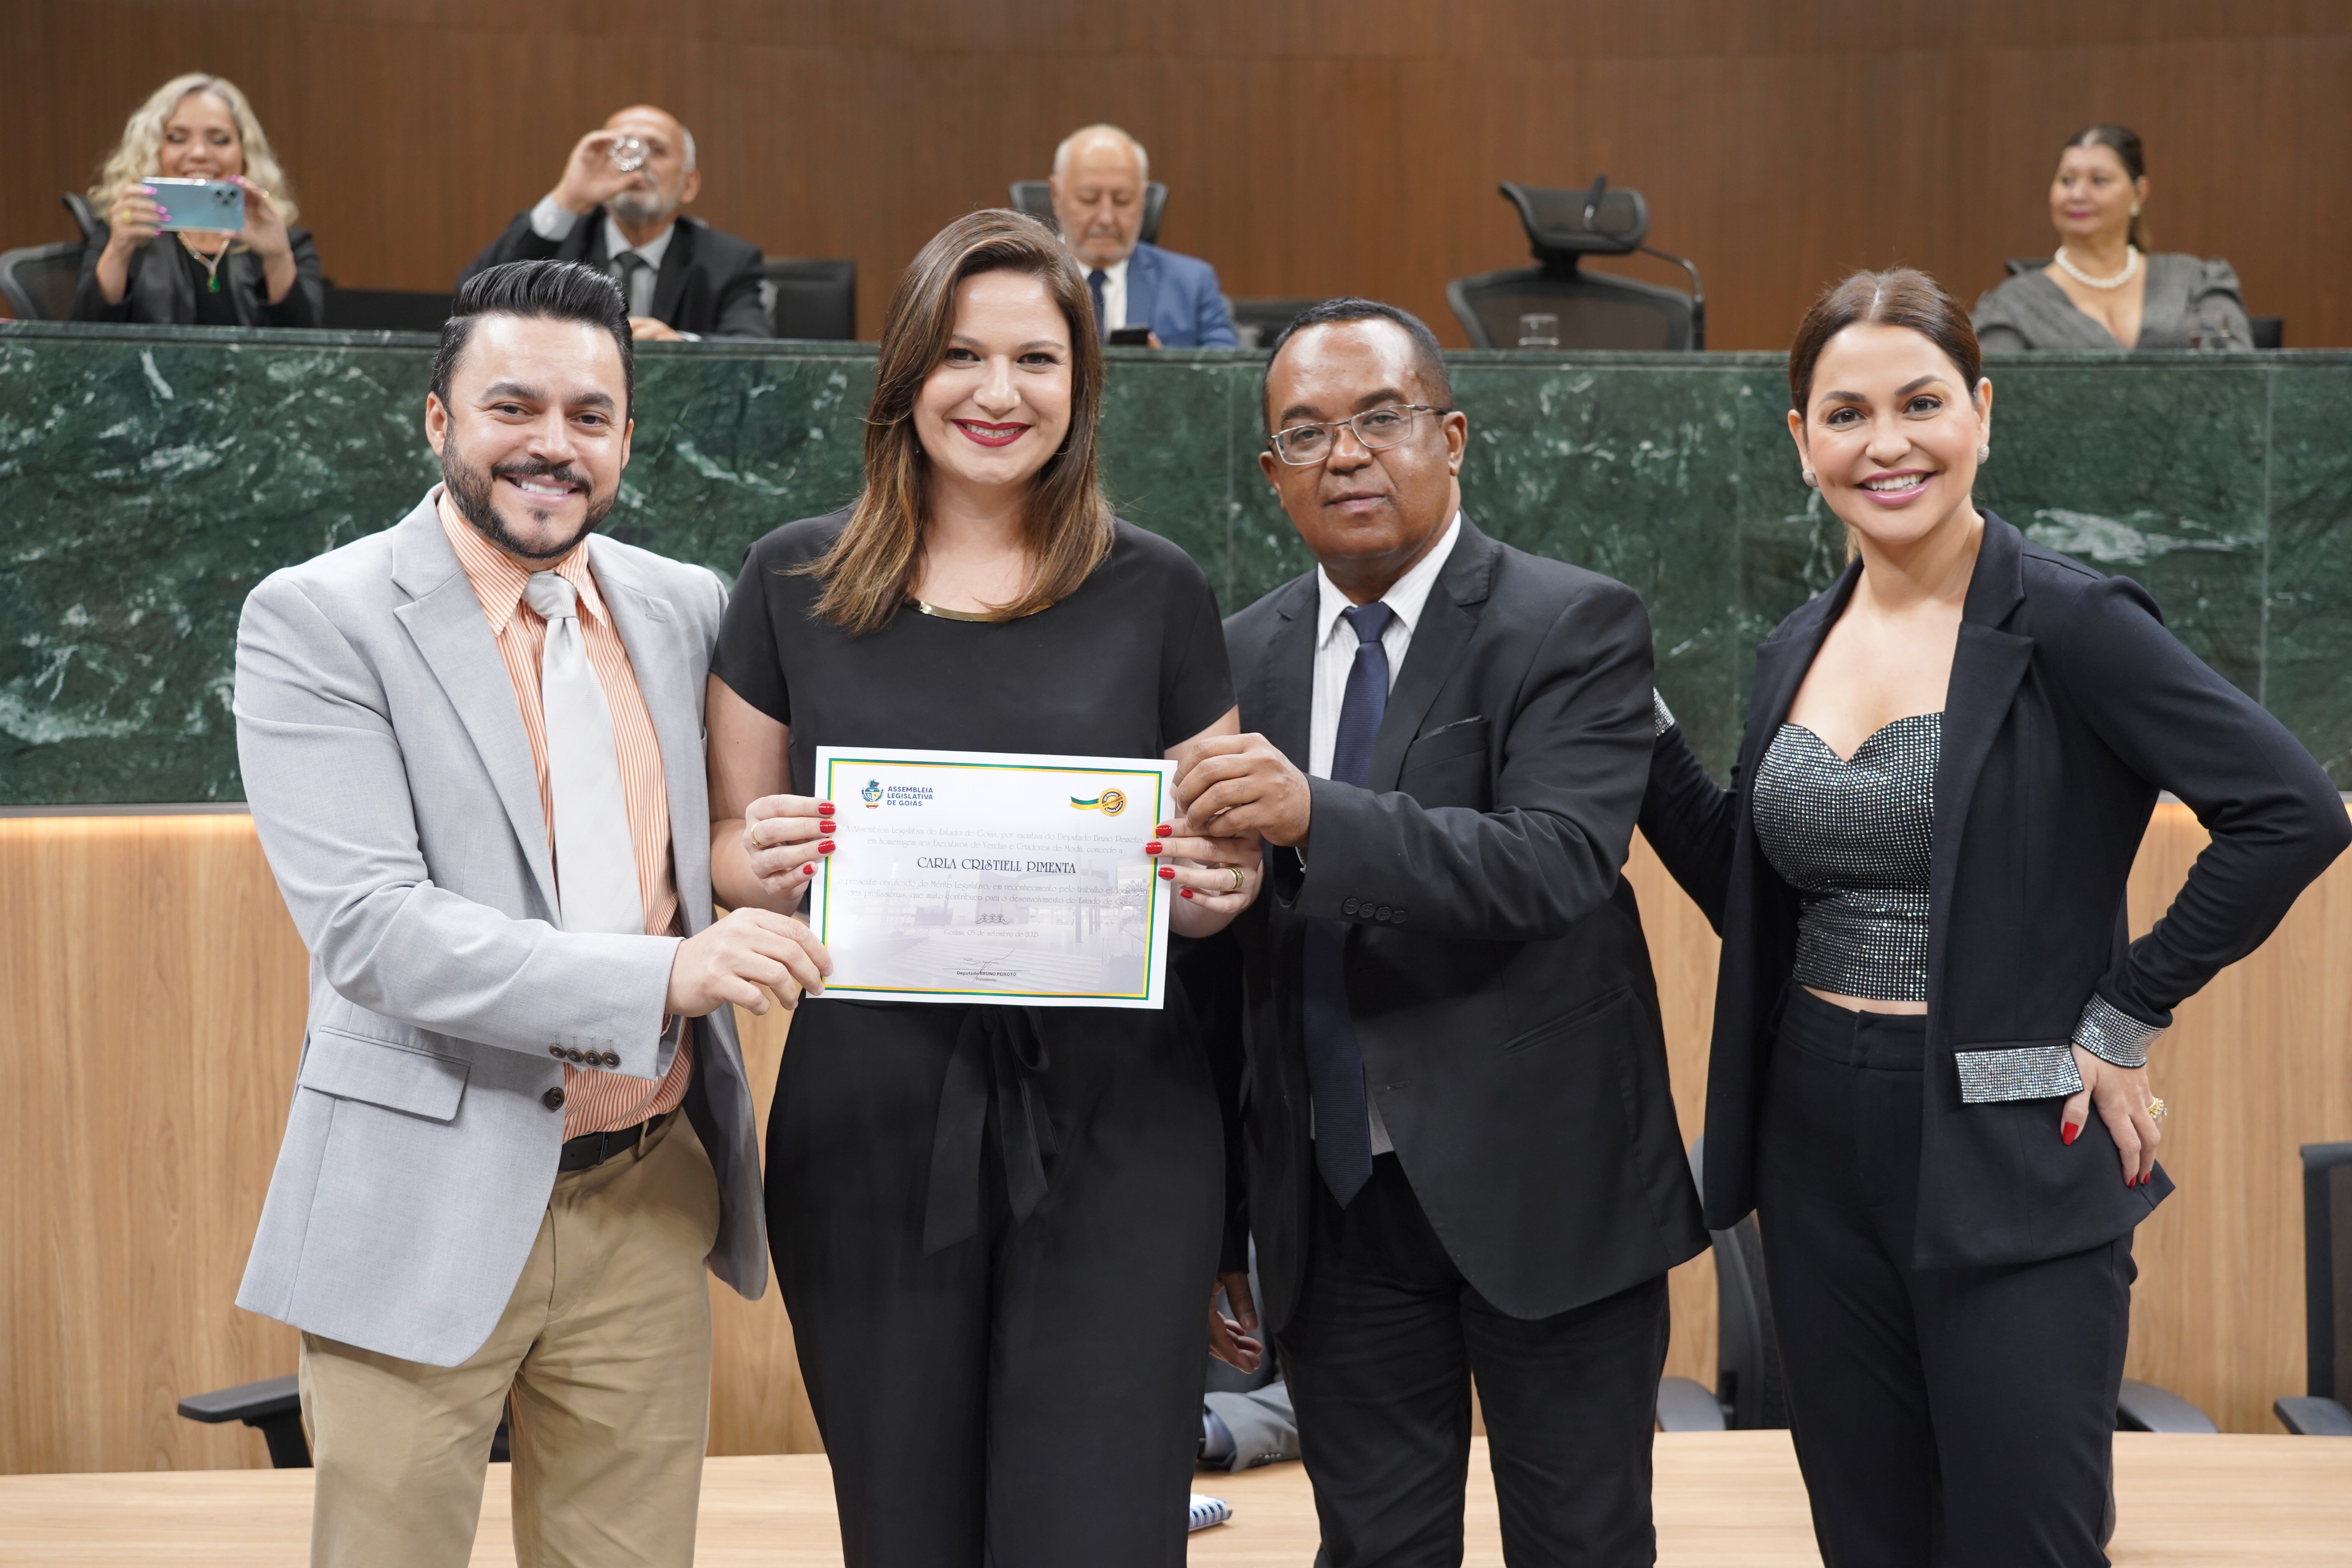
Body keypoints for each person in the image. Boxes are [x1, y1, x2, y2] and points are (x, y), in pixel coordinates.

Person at [1641, 268, 2348, 1566]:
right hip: (1812, 1130)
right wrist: (1624, 717)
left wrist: (2127, 1012)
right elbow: (1754, 891)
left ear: (1982, 411)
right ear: (1801, 440)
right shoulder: (1795, 641)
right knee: (1869, 1536)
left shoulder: (2073, 620)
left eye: (1921, 403)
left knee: (2026, 1540)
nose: (1888, 443)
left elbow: (2290, 812)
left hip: (2011, 1134)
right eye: (1846, 414)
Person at [232, 259, 822, 1567]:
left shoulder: (685, 605)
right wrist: (668, 975)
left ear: (627, 438)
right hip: (422, 1195)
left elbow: (701, 848)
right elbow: (375, 929)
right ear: (438, 418)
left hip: (647, 1189)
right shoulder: (319, 618)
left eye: (589, 415)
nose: (552, 444)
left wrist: (795, 859)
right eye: (513, 406)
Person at [702, 208, 1260, 1566]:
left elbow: (1214, 860)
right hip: (873, 1120)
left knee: (1100, 1527)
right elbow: (728, 852)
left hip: (1126, 1124)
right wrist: (758, 861)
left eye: (1035, 359)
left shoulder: (1158, 587)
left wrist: (1214, 883)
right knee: (906, 1526)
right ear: (907, 371)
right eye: (961, 353)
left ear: (1081, 383)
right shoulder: (790, 577)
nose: (997, 392)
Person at [1178, 297, 1708, 1566]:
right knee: (1374, 1549)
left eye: (1381, 417)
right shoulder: (1231, 658)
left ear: (1452, 435)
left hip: (1548, 1192)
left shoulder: (1574, 622)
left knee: (1581, 1546)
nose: (1346, 454)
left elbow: (1555, 862)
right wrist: (1224, 1218)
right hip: (1332, 1208)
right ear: (1271, 472)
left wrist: (1315, 813)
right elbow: (1217, 972)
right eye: (1306, 433)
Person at [461, 105, 771, 340]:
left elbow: (753, 350)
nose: (639, 163)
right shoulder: (558, 243)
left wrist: (681, 347)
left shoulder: (728, 261)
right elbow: (472, 300)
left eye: (657, 150)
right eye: (622, 148)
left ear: (688, 184)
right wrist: (568, 196)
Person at [72, 73, 324, 327]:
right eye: (177, 138)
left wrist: (277, 258)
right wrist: (119, 251)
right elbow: (83, 338)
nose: (199, 153)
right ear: (153, 150)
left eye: (219, 140)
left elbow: (306, 344)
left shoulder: (289, 244)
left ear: (245, 152)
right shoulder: (121, 235)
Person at [1973, 125, 2252, 351]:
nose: (2077, 195)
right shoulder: (2012, 304)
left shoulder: (2194, 281)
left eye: (2099, 180)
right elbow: (1993, 393)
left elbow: (2240, 377)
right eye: (2067, 180)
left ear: (2139, 193)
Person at [1049, 124, 1237, 348]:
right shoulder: (1022, 280)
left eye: (1122, 200)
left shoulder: (1192, 283)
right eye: (1089, 199)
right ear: (1056, 195)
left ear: (1143, 198)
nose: (1106, 218)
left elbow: (1226, 366)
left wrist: (1166, 368)